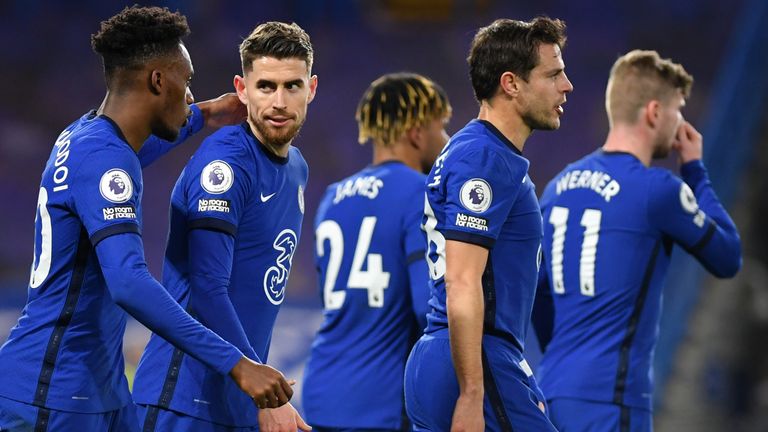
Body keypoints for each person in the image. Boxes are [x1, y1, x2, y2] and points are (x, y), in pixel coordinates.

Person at [0, 7, 294, 432]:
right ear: (158, 80)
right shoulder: (106, 161)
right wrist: (237, 364)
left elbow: (138, 150)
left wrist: (210, 113)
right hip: (51, 395)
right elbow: (128, 282)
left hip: (97, 391)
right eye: (187, 80)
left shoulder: (84, 136)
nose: (190, 94)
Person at [535, 49, 742, 431]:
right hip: (611, 401)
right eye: (678, 109)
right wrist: (695, 170)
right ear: (653, 112)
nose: (682, 121)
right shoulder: (658, 190)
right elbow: (728, 256)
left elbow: (539, 294)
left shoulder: (557, 187)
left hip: (549, 394)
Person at [132, 21, 317, 432]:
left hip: (237, 400)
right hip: (182, 402)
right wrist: (264, 391)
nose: (280, 101)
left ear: (312, 89)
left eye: (292, 86)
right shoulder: (226, 165)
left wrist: (259, 394)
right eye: (266, 85)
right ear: (242, 88)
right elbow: (208, 290)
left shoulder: (297, 169)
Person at [403, 17, 573, 431]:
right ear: (511, 84)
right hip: (476, 358)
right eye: (553, 74)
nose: (566, 85)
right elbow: (463, 281)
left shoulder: (480, 151)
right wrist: (472, 393)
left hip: (455, 355)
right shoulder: (484, 158)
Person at [302, 73, 452, 431]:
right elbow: (428, 309)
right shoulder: (420, 193)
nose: (446, 140)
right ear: (416, 132)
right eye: (442, 127)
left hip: (322, 392)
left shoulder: (332, 198)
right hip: (382, 402)